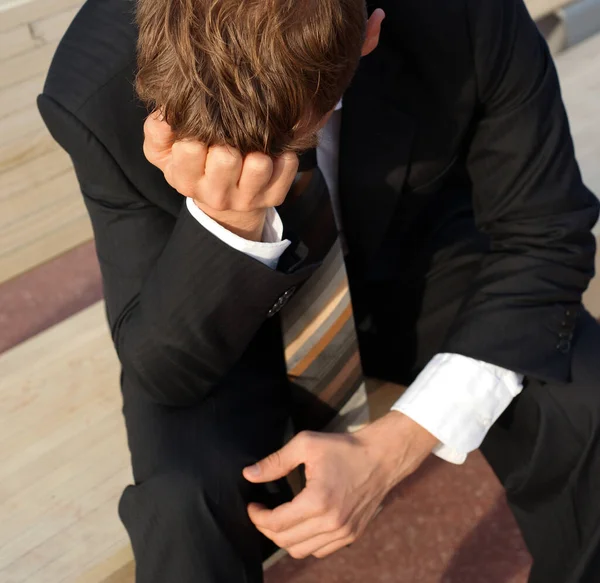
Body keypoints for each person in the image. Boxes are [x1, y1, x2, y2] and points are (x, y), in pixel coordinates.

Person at [38, 0, 600, 581]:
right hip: (225, 307)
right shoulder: (94, 90)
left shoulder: (463, 13)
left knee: (586, 404)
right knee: (179, 506)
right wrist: (226, 220)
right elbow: (164, 372)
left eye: (287, 139)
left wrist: (397, 446)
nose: (254, 160)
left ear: (369, 34)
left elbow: (546, 234)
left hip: (420, 261)